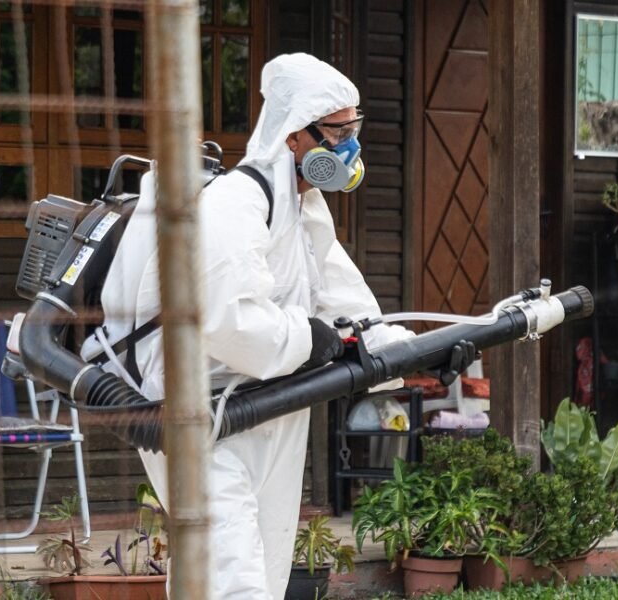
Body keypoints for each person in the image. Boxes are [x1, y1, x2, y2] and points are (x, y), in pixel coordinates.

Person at [82, 53, 414, 599]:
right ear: (292, 138)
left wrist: (408, 354)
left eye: (354, 129)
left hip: (265, 409)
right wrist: (312, 339)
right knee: (229, 577)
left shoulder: (305, 211)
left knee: (264, 569)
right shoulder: (236, 205)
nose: (349, 147)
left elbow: (348, 305)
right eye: (336, 132)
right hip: (194, 414)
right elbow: (223, 317)